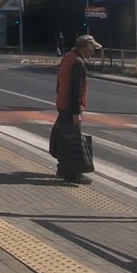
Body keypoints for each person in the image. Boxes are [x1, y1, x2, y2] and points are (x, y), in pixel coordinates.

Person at [50, 33, 101, 184]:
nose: (93, 51)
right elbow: (76, 89)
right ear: (85, 46)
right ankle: (73, 174)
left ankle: (62, 169)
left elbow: (60, 83)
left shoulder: (68, 58)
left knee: (64, 139)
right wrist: (76, 111)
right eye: (92, 48)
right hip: (69, 107)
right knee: (73, 141)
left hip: (62, 104)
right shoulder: (78, 62)